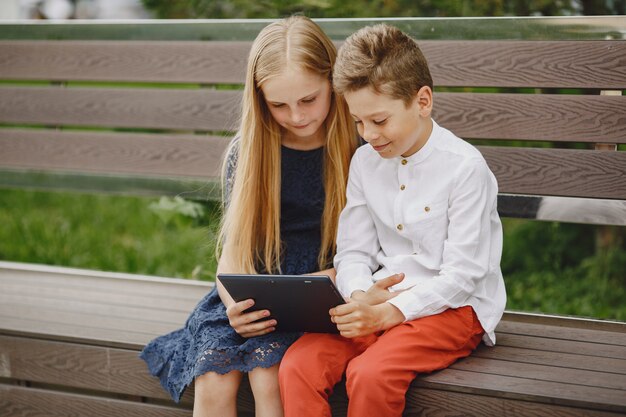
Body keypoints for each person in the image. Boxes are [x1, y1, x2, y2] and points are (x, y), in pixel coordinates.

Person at [279, 24, 507, 417]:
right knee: (298, 365)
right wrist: (360, 297)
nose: (368, 135)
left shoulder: (465, 168)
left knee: (371, 374)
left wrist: (388, 313)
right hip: (378, 300)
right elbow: (352, 252)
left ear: (422, 101)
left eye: (379, 121)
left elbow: (463, 276)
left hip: (452, 308)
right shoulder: (365, 162)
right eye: (358, 122)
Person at [140, 16, 358, 417]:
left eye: (309, 99)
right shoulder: (250, 149)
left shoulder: (358, 145)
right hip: (256, 292)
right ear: (259, 99)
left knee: (267, 373)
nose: (296, 115)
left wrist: (337, 277)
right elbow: (234, 252)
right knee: (214, 375)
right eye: (279, 104)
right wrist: (233, 305)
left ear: (332, 80)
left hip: (322, 293)